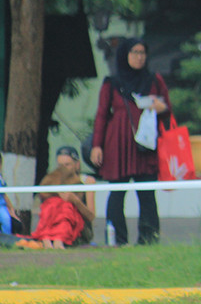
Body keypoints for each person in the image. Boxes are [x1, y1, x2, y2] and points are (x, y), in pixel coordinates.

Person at [91, 38, 170, 246]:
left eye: (142, 53)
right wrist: (97, 145)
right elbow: (101, 115)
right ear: (124, 55)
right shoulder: (112, 83)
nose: (139, 57)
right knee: (117, 192)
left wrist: (160, 108)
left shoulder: (154, 80)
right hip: (118, 144)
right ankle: (117, 239)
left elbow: (167, 107)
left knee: (147, 194)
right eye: (134, 52)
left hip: (145, 144)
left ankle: (148, 239)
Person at [32, 165, 89, 249]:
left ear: (77, 164)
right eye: (60, 164)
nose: (63, 168)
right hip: (53, 222)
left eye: (67, 164)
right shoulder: (51, 200)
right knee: (52, 206)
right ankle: (50, 238)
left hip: (74, 225)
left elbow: (90, 216)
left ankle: (55, 239)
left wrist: (75, 200)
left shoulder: (85, 180)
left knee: (65, 209)